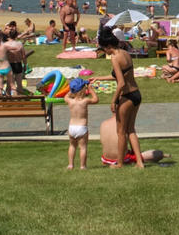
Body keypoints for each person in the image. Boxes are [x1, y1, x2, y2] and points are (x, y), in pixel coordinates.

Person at [98, 26, 144, 169]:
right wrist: (98, 78)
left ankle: (120, 163)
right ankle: (140, 163)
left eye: (104, 48)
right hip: (136, 94)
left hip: (127, 96)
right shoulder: (125, 53)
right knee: (131, 130)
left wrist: (114, 100)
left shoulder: (114, 58)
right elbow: (120, 76)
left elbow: (121, 83)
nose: (104, 51)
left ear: (109, 46)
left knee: (121, 131)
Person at [100, 117, 169, 166]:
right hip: (122, 159)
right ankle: (164, 155)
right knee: (158, 154)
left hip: (106, 159)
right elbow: (132, 141)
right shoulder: (123, 124)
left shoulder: (103, 123)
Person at [64, 78, 98, 169]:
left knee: (72, 146)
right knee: (83, 147)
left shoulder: (70, 101)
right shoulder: (85, 101)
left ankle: (70, 165)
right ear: (83, 89)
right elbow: (96, 99)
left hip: (71, 128)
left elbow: (66, 97)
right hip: (81, 128)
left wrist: (71, 91)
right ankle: (83, 166)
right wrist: (91, 90)